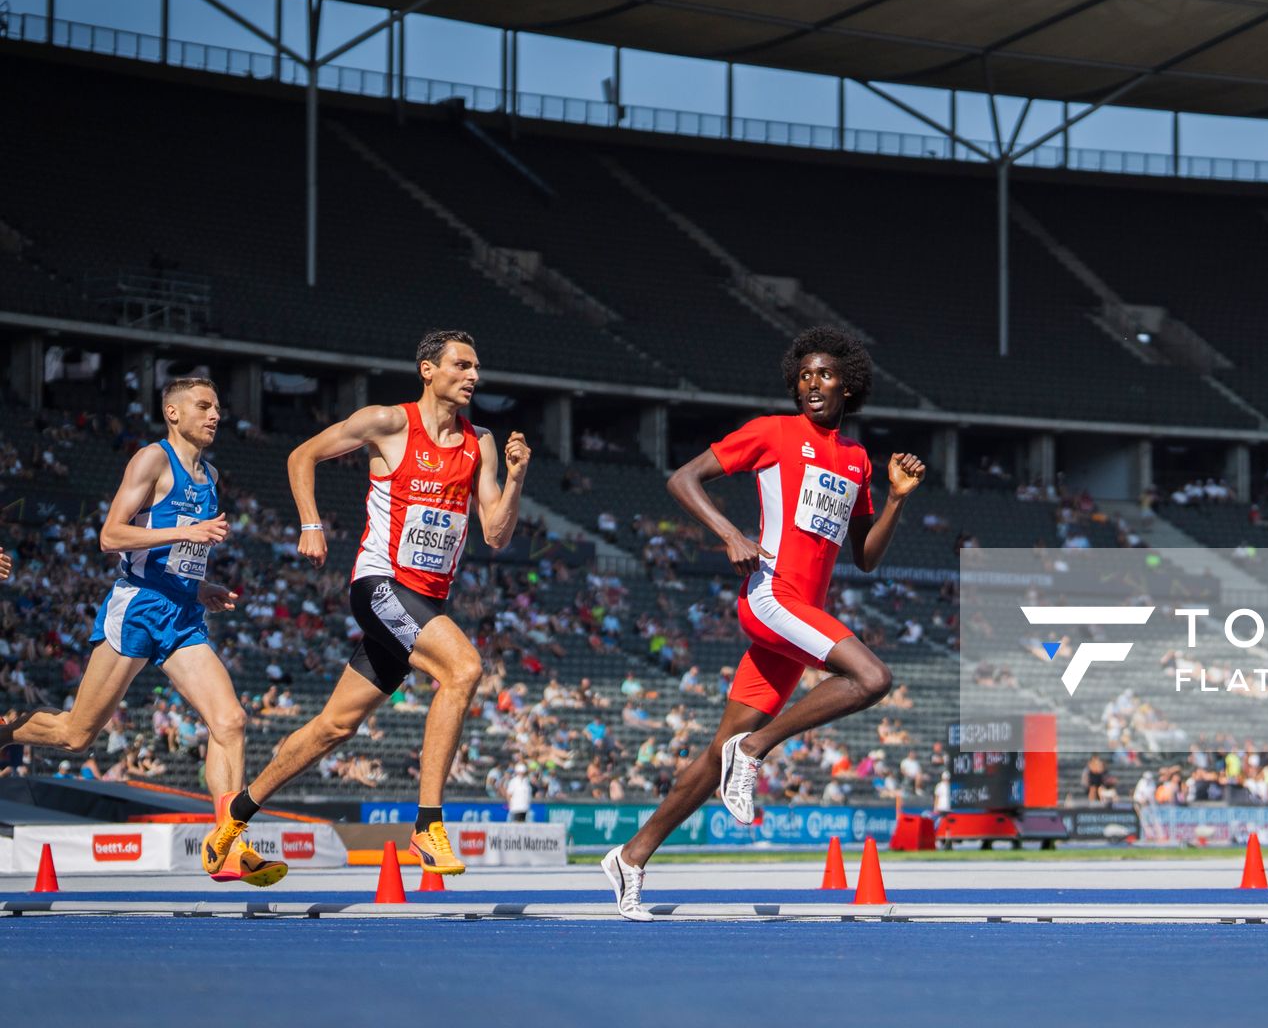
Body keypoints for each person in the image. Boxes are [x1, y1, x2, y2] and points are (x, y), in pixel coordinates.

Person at [602, 327, 925, 921]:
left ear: (848, 386)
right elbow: (682, 478)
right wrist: (730, 534)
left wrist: (899, 499)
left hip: (800, 623)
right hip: (771, 598)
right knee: (872, 677)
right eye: (803, 376)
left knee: (712, 754)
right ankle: (753, 751)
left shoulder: (856, 461)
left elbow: (867, 556)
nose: (812, 384)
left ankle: (631, 855)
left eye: (825, 375)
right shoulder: (773, 433)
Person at [202, 331, 530, 879]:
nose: (473, 376)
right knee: (465, 668)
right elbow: (302, 454)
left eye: (477, 368)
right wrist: (310, 523)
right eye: (461, 365)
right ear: (427, 369)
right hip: (379, 586)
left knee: (334, 727)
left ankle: (231, 823)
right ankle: (427, 826)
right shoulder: (388, 422)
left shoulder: (482, 443)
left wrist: (516, 479)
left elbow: (496, 533)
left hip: (422, 603)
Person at [0, 379, 285, 886]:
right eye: (203, 406)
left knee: (231, 721)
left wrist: (201, 587)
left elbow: (176, 557)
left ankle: (228, 845)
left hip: (182, 614)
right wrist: (184, 532)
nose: (215, 415)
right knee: (76, 735)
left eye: (218, 407)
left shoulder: (211, 474)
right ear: (172, 413)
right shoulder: (152, 460)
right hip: (137, 609)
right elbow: (111, 535)